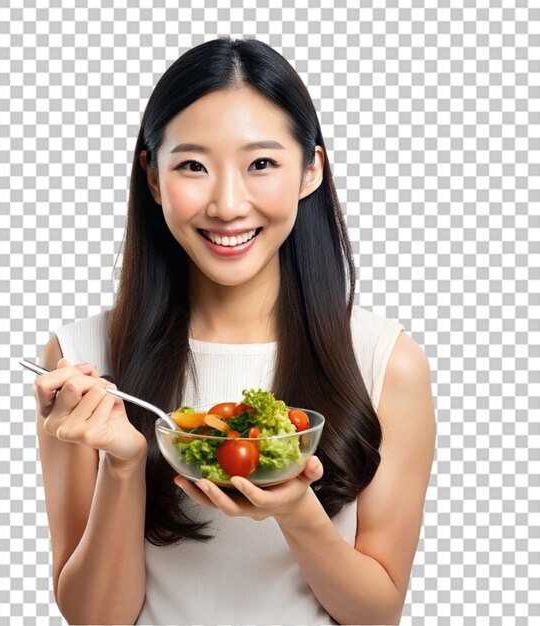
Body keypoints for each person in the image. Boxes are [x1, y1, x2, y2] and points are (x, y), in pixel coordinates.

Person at [33, 36, 436, 625]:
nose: (226, 204)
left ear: (310, 169)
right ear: (152, 177)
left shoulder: (383, 361)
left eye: (261, 164)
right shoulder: (82, 360)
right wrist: (124, 466)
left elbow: (377, 615)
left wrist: (298, 511)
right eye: (193, 165)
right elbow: (97, 620)